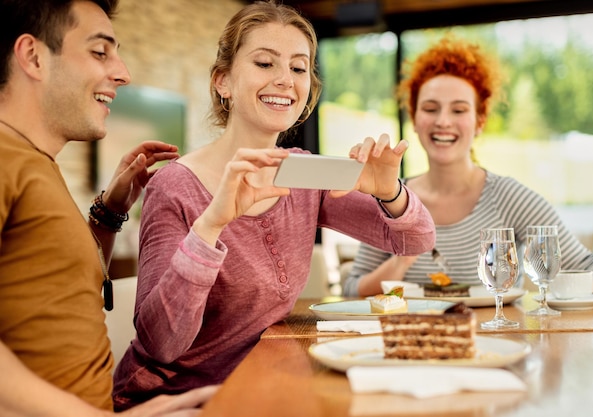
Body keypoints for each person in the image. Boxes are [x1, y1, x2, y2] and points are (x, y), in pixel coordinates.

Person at [112, 0, 436, 410]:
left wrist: (389, 191)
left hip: (265, 383)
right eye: (265, 63)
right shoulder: (176, 185)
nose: (285, 79)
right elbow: (162, 344)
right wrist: (210, 226)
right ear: (223, 81)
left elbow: (417, 240)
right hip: (178, 401)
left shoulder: (305, 174)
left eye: (299, 68)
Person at [0, 0, 218, 415]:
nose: (123, 73)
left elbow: (62, 287)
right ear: (33, 56)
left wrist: (110, 211)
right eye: (100, 52)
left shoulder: (35, 161)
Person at [342, 35, 593, 306]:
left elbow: (584, 265)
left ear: (479, 121)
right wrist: (401, 260)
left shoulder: (507, 197)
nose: (443, 121)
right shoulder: (388, 196)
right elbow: (352, 289)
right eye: (430, 108)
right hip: (408, 348)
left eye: (459, 110)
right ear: (414, 119)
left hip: (496, 346)